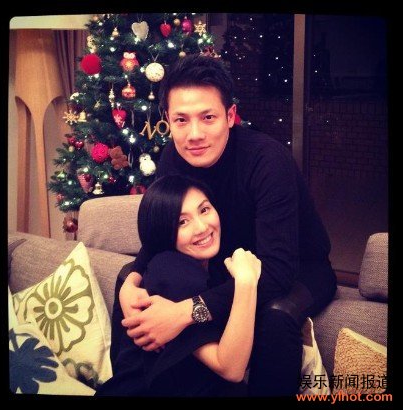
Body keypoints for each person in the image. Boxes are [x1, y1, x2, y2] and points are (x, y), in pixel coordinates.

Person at [118, 54, 338, 396]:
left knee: (276, 316)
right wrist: (130, 280)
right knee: (131, 278)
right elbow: (161, 234)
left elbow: (278, 272)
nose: (194, 134)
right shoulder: (173, 156)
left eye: (208, 117)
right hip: (227, 266)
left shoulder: (267, 161)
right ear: (168, 121)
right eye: (181, 120)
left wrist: (188, 311)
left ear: (231, 116)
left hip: (298, 269)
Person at [97, 175, 261, 396]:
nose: (201, 227)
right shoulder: (172, 272)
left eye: (204, 210)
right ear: (163, 231)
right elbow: (231, 368)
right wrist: (246, 282)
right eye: (182, 222)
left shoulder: (208, 265)